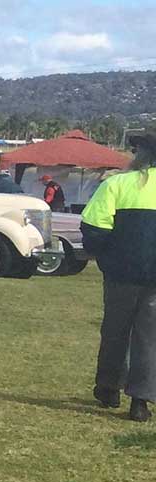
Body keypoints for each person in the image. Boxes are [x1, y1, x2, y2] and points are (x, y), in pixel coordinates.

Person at [83, 129, 156, 421]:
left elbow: (94, 228)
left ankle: (108, 388)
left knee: (115, 331)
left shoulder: (117, 184)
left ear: (140, 156)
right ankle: (141, 401)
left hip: (121, 274)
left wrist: (103, 255)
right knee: (149, 338)